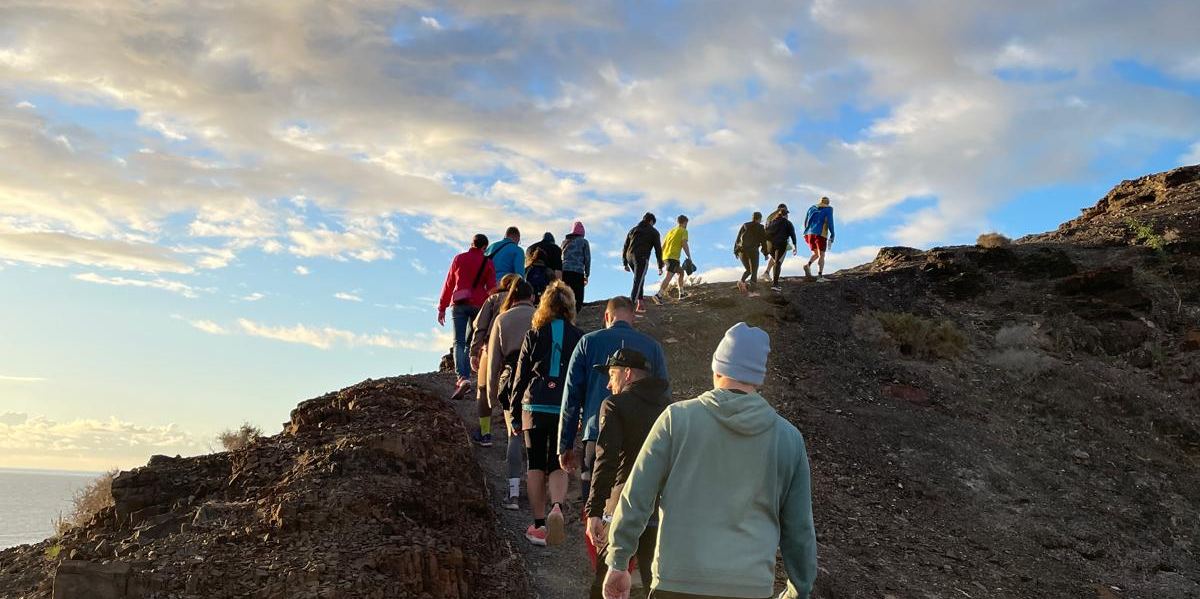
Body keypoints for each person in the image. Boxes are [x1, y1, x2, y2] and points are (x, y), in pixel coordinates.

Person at [602, 323, 817, 599]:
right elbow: (799, 529)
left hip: (677, 582)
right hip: (749, 587)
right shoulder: (788, 438)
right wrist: (799, 590)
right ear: (758, 380)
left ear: (716, 369)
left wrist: (618, 561)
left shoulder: (676, 420)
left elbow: (637, 496)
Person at [559, 297, 668, 505]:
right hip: (643, 439)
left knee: (595, 502)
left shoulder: (588, 342)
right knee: (637, 505)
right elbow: (663, 392)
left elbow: (571, 395)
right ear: (633, 317)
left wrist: (565, 443)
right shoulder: (652, 347)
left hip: (596, 434)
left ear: (607, 316)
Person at [586, 348, 671, 599]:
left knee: (607, 582)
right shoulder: (671, 409)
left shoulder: (615, 404)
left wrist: (594, 510)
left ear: (628, 374)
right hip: (662, 507)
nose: (608, 384)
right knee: (656, 584)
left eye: (612, 375)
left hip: (624, 503)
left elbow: (606, 459)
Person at [509, 281, 583, 547]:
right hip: (564, 407)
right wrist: (580, 411)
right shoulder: (579, 337)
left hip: (534, 405)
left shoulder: (534, 334)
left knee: (535, 464)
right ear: (570, 307)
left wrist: (514, 413)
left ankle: (539, 525)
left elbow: (520, 376)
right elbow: (581, 378)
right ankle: (557, 508)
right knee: (558, 461)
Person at [485, 279, 536, 509]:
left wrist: (491, 393)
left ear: (512, 297)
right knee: (535, 437)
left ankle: (513, 493)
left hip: (511, 378)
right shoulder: (540, 318)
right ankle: (537, 492)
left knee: (513, 435)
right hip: (536, 379)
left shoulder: (502, 319)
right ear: (532, 297)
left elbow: (493, 361)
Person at [437, 233, 496, 400]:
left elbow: (449, 283)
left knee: (458, 341)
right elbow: (491, 288)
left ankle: (462, 378)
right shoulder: (488, 262)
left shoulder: (459, 259)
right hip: (479, 305)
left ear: (472, 244)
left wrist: (442, 307)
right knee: (471, 342)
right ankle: (470, 372)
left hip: (459, 303)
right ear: (484, 247)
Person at [469, 273, 522, 447]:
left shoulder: (493, 299)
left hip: (490, 349)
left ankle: (485, 433)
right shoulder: (523, 302)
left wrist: (474, 352)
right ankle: (514, 435)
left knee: (483, 389)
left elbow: (480, 326)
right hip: (518, 354)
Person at [622, 213, 664, 313]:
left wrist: (625, 262)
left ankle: (640, 303)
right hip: (641, 257)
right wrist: (660, 266)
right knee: (638, 280)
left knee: (640, 278)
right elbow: (658, 250)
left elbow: (625, 246)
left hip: (629, 256)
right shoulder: (654, 232)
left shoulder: (633, 230)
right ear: (651, 221)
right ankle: (631, 308)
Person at [654, 215, 692, 303]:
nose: (686, 225)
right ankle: (658, 295)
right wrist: (689, 256)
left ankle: (681, 293)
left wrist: (661, 259)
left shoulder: (670, 232)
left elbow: (663, 246)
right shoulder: (684, 231)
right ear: (684, 222)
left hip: (666, 257)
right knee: (669, 276)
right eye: (686, 223)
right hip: (673, 258)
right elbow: (684, 243)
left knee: (681, 272)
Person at [764, 204, 798, 291]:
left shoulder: (771, 219)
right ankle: (775, 283)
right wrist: (795, 246)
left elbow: (765, 232)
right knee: (778, 262)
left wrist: (764, 249)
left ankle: (769, 274)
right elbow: (793, 235)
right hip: (781, 243)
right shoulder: (787, 222)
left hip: (770, 244)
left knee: (775, 260)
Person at [803, 197, 836, 282]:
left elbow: (805, 221)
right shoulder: (829, 209)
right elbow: (830, 222)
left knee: (816, 254)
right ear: (827, 203)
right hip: (820, 233)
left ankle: (808, 265)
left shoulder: (811, 208)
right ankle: (820, 276)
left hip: (809, 233)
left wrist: (807, 230)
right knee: (822, 255)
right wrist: (832, 233)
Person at [734, 211, 767, 296]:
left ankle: (741, 282)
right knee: (754, 271)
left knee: (748, 270)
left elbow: (738, 238)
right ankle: (752, 292)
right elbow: (763, 241)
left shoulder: (745, 225)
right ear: (759, 219)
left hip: (741, 250)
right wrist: (765, 253)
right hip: (753, 250)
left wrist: (735, 251)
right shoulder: (760, 227)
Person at [561, 221, 591, 312]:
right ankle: (575, 313)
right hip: (578, 272)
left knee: (566, 295)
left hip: (565, 271)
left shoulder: (565, 242)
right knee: (578, 296)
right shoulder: (584, 242)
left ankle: (566, 313)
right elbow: (587, 258)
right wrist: (587, 273)